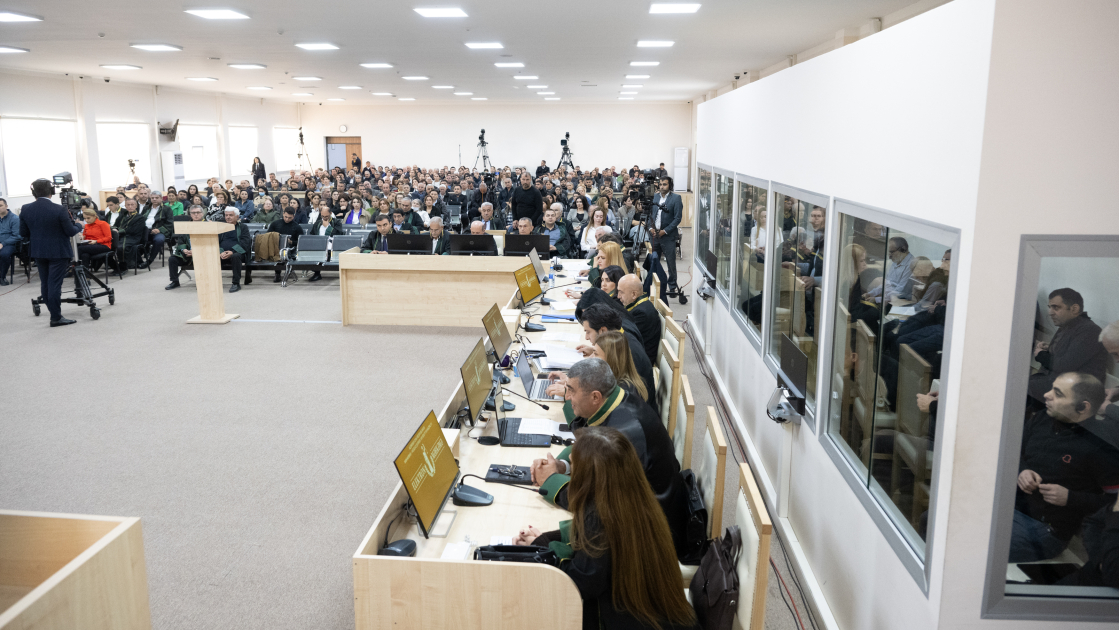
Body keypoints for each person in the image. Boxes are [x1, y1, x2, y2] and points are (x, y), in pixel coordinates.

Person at [516, 426, 696, 630]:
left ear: (589, 474)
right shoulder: (632, 495)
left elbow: (578, 585)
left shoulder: (600, 516)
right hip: (659, 615)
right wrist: (544, 540)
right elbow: (588, 544)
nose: (571, 472)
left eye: (574, 466)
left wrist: (542, 550)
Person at [528, 359, 685, 557]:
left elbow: (600, 505)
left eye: (571, 391)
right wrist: (562, 465)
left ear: (595, 397)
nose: (567, 397)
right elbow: (588, 432)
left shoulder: (624, 435)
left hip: (651, 537)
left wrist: (550, 482)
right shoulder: (617, 401)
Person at [1011, 372, 1119, 562]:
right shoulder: (1043, 418)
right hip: (1012, 507)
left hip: (1047, 531)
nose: (1046, 394)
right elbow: (1014, 452)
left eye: (1058, 393)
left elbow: (1114, 503)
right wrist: (1022, 470)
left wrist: (1071, 498)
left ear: (1083, 407)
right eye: (1052, 388)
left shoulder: (1101, 447)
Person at [19, 179, 84, 326]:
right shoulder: (59, 209)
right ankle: (55, 317)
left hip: (38, 251)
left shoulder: (25, 208)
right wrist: (79, 226)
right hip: (58, 252)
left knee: (46, 283)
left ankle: (54, 314)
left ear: (33, 192)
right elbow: (69, 231)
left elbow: (23, 233)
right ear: (52, 192)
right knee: (54, 284)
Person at [1028, 288, 1110, 404]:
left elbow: (1064, 366)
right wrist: (1049, 349)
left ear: (1074, 309)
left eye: (1056, 307)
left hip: (1076, 394)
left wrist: (1040, 354)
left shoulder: (1090, 331)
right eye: (1050, 307)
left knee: (1019, 388)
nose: (1050, 312)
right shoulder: (1069, 326)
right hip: (1058, 385)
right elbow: (1066, 357)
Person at [577, 304, 656, 413]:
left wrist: (575, 393)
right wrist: (597, 351)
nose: (586, 337)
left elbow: (605, 402)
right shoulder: (621, 342)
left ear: (603, 331)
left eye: (588, 331)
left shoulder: (631, 353)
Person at [546, 331, 650, 405]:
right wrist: (572, 384)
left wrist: (570, 395)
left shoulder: (623, 392)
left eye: (595, 354)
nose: (590, 358)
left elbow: (589, 417)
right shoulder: (614, 378)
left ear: (611, 359)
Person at [617, 274, 661, 366]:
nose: (618, 296)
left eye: (621, 292)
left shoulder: (641, 314)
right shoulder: (639, 305)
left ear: (634, 294)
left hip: (638, 364)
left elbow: (622, 339)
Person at [648, 177, 683, 292]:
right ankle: (654, 284)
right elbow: (651, 214)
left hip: (668, 236)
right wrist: (650, 228)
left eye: (665, 184)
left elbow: (677, 218)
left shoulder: (676, 198)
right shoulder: (656, 197)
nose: (662, 186)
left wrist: (665, 231)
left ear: (670, 185)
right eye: (661, 184)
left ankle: (672, 287)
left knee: (670, 263)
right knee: (654, 261)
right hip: (655, 235)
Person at [165, 205, 206, 290]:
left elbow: (208, 243)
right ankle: (175, 281)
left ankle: (202, 282)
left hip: (202, 253)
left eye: (198, 212)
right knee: (172, 259)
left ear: (202, 214)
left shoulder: (208, 226)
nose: (196, 215)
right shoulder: (186, 226)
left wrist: (195, 251)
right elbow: (180, 241)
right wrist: (184, 250)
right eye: (193, 213)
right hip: (187, 254)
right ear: (190, 214)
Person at [864, 236, 915, 304]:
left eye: (891, 252)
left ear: (902, 250)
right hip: (887, 298)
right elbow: (887, 284)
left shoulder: (911, 264)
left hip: (899, 301)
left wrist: (877, 299)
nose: (889, 256)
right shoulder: (896, 260)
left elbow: (900, 292)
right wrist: (871, 293)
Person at [217, 207, 250, 292]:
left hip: (238, 253)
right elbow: (216, 241)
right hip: (221, 253)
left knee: (236, 256)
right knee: (210, 255)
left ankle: (236, 283)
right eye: (226, 215)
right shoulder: (220, 227)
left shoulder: (243, 227)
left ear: (237, 216)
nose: (228, 217)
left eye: (231, 215)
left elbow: (245, 243)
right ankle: (211, 283)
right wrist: (221, 252)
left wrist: (232, 252)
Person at [267, 208, 305, 282]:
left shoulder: (297, 227)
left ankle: (281, 272)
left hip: (290, 248)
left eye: (290, 218)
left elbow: (301, 242)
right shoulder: (275, 224)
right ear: (283, 214)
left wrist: (291, 242)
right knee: (277, 252)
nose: (287, 219)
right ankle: (277, 273)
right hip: (276, 246)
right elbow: (268, 236)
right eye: (286, 217)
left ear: (293, 216)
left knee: (283, 253)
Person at [0, 198, 19, 284]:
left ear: (6, 206)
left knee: (4, 254)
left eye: (1, 206)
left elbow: (17, 236)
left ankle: (2, 277)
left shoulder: (14, 218)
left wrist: (3, 243)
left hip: (9, 244)